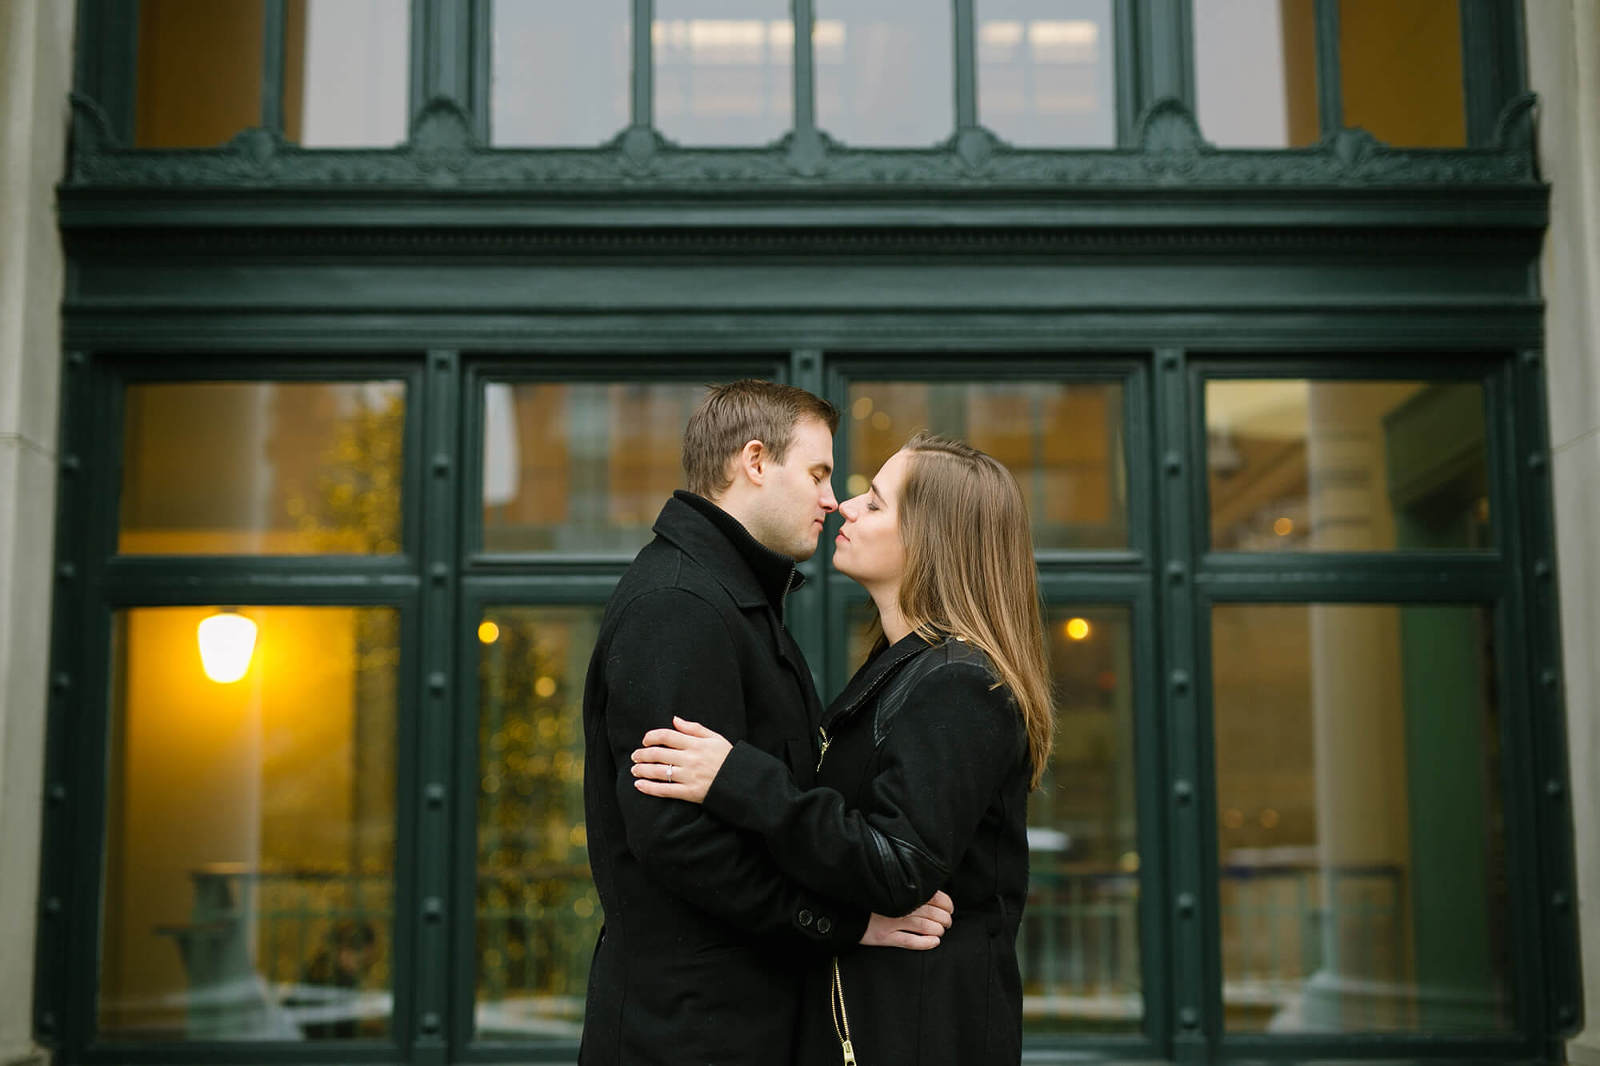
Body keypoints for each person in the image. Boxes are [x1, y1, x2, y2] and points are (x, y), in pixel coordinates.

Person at [632, 432, 1054, 1066]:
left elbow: (898, 865)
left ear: (933, 542)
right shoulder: (908, 669)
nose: (846, 507)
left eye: (877, 503)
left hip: (919, 1032)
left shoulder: (959, 682)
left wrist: (738, 777)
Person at [580, 383, 956, 1066]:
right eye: (817, 472)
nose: (831, 499)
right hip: (690, 1035)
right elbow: (676, 842)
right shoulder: (679, 605)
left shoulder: (731, 596)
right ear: (754, 461)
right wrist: (844, 923)